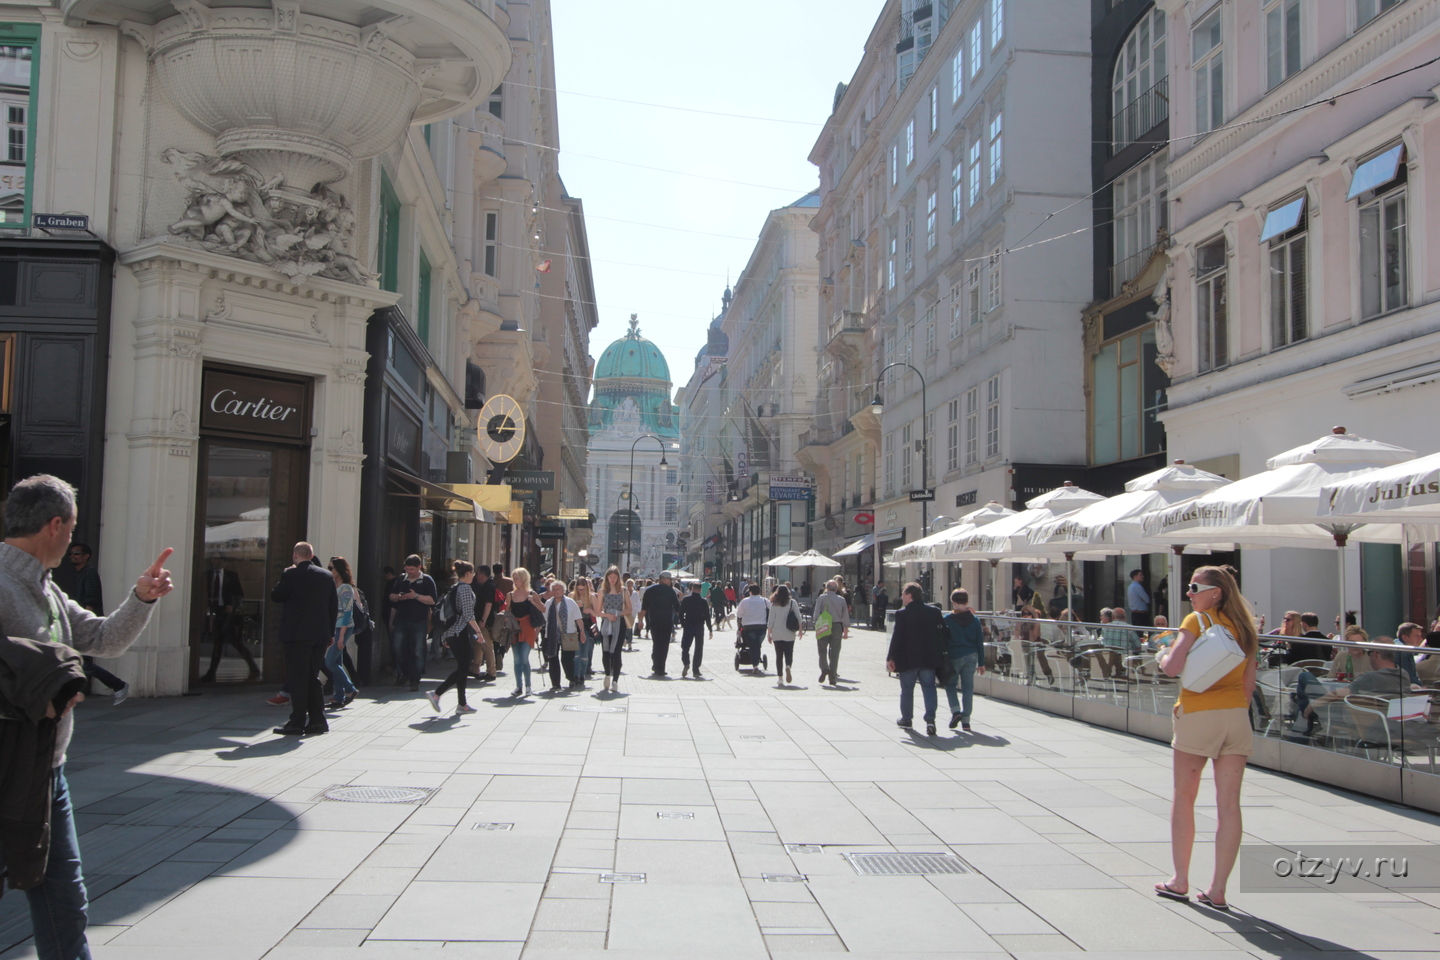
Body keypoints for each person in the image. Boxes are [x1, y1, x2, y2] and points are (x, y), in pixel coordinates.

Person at [0, 474, 173, 960]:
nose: (73, 541)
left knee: (64, 899)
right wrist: (42, 695)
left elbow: (104, 639)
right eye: (72, 530)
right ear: (55, 526)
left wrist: (142, 598)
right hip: (7, 768)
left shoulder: (47, 589)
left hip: (47, 771)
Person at [1154, 565, 1258, 912]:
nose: (1189, 593)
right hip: (1235, 717)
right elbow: (1248, 685)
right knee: (1230, 804)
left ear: (1215, 592)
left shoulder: (1195, 622)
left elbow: (1171, 668)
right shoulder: (1245, 628)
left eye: (1194, 587)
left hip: (1198, 714)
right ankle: (1218, 890)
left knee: (1184, 796)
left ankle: (1180, 880)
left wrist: (1165, 654)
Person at [271, 542, 338, 736]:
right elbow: (333, 607)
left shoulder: (291, 574)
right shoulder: (326, 576)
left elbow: (276, 595)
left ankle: (297, 721)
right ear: (312, 554)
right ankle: (318, 720)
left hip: (297, 635)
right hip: (320, 635)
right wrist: (331, 633)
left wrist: (284, 575)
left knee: (298, 678)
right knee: (312, 677)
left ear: (295, 556)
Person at [61, 542, 130, 705]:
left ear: (86, 556)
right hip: (85, 624)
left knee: (83, 663)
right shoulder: (83, 574)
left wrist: (85, 623)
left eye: (77, 553)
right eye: (71, 553)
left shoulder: (89, 574)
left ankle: (118, 685)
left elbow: (91, 598)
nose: (73, 556)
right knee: (81, 662)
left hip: (87, 624)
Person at [886, 582, 945, 736]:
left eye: (904, 594)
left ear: (910, 596)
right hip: (928, 658)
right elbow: (943, 634)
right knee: (929, 688)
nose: (901, 597)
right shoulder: (934, 612)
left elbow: (897, 637)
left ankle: (907, 718)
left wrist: (890, 657)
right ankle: (930, 720)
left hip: (908, 658)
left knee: (907, 690)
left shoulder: (902, 613)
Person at [428, 560, 481, 714]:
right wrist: (478, 632)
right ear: (468, 573)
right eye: (473, 573)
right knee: (464, 668)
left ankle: (462, 704)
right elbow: (468, 614)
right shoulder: (464, 589)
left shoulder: (455, 587)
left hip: (453, 632)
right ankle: (437, 694)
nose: (474, 576)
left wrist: (446, 635)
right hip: (459, 632)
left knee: (462, 667)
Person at [201, 555, 259, 684]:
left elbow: (239, 595)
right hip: (214, 613)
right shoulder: (207, 575)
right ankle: (211, 673)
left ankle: (254, 669)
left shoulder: (231, 576)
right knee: (218, 643)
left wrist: (232, 606)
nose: (213, 561)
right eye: (212, 559)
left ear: (223, 561)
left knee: (234, 643)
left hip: (228, 615)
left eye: (216, 559)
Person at [388, 555, 437, 691]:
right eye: (407, 569)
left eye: (412, 569)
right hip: (402, 619)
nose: (409, 572)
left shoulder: (427, 580)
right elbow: (391, 597)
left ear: (419, 567)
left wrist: (415, 596)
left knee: (418, 650)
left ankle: (415, 679)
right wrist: (399, 597)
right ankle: (405, 673)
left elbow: (433, 600)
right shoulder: (401, 579)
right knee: (398, 648)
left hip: (419, 621)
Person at [942, 589, 985, 731]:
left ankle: (955, 711)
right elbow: (980, 642)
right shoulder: (975, 620)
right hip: (972, 656)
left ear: (952, 602)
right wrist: (982, 663)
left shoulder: (947, 619)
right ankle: (966, 721)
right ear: (967, 602)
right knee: (968, 688)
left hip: (954, 656)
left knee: (950, 685)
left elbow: (944, 640)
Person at [323, 557, 358, 709]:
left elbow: (347, 613)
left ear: (339, 570)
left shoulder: (346, 588)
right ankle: (339, 696)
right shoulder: (332, 585)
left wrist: (342, 636)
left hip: (342, 627)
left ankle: (350, 689)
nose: (329, 571)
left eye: (332, 568)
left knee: (329, 662)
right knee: (337, 662)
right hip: (334, 627)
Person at [639, 570, 683, 676]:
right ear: (664, 579)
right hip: (666, 621)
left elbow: (644, 608)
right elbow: (677, 608)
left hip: (654, 620)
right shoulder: (670, 591)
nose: (670, 582)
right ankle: (660, 667)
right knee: (664, 645)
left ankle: (656, 662)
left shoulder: (649, 590)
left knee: (656, 642)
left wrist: (640, 621)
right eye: (669, 579)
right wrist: (683, 619)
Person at [544, 579, 585, 690]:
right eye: (554, 589)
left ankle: (571, 678)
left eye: (559, 589)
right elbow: (544, 620)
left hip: (569, 634)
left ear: (564, 590)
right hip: (552, 635)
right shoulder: (548, 603)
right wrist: (536, 633)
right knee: (553, 658)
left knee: (566, 659)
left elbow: (578, 619)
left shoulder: (570, 602)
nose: (556, 591)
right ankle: (555, 684)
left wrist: (582, 632)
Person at [507, 567, 540, 697]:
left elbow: (543, 610)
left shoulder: (532, 594)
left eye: (518, 578)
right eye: (514, 578)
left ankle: (528, 686)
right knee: (516, 660)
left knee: (524, 658)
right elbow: (507, 612)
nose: (515, 581)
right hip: (515, 628)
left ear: (524, 579)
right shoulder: (510, 595)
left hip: (527, 628)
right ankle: (518, 686)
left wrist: (534, 602)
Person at [597, 566, 630, 692]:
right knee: (606, 651)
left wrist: (617, 614)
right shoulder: (602, 591)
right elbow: (598, 611)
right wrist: (607, 615)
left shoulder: (623, 591)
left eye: (614, 577)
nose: (612, 580)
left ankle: (615, 680)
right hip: (606, 622)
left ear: (618, 578)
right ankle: (607, 674)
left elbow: (629, 609)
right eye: (610, 577)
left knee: (616, 652)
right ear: (606, 578)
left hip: (619, 623)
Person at [812, 579, 850, 685]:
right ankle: (832, 677)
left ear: (826, 588)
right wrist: (845, 630)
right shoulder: (841, 599)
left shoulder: (821, 598)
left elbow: (816, 613)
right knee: (835, 652)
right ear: (836, 588)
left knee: (822, 649)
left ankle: (824, 668)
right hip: (837, 626)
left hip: (823, 624)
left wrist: (816, 624)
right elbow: (845, 615)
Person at [766, 584, 803, 686]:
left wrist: (769, 634)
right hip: (789, 632)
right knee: (789, 652)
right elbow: (798, 617)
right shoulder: (792, 603)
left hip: (777, 633)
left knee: (778, 656)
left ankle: (780, 678)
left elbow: (771, 621)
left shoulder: (773, 604)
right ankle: (788, 666)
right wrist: (800, 630)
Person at [467, 565, 499, 682]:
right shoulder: (482, 585)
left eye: (478, 573)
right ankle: (475, 669)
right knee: (477, 645)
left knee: (486, 646)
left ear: (482, 574)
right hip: (478, 620)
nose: (476, 576)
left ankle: (491, 672)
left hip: (484, 621)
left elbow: (488, 604)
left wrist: (483, 621)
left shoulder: (488, 586)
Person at [679, 581, 712, 679]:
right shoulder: (703, 601)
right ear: (701, 590)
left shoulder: (686, 599)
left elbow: (681, 613)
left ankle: (686, 662)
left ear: (692, 589)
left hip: (688, 625)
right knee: (698, 647)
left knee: (685, 646)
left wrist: (683, 623)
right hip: (699, 626)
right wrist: (710, 629)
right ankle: (696, 669)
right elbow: (707, 616)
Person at [735, 583, 770, 675]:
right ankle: (756, 663)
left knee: (753, 645)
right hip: (762, 627)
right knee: (757, 645)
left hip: (749, 627)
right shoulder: (765, 601)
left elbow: (739, 614)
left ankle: (755, 665)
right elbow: (772, 610)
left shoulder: (744, 601)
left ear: (750, 592)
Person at [571, 577, 600, 686]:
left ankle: (582, 674)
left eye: (583, 589)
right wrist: (575, 606)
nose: (581, 592)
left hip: (587, 625)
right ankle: (576, 675)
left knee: (584, 652)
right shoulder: (572, 596)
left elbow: (597, 613)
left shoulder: (592, 597)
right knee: (576, 653)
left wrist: (590, 610)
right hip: (575, 627)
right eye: (579, 589)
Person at [1395, 621, 1424, 686]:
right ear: (1405, 637)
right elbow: (1408, 676)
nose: (1421, 639)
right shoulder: (1403, 651)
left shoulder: (1397, 647)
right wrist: (1421, 687)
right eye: (1417, 636)